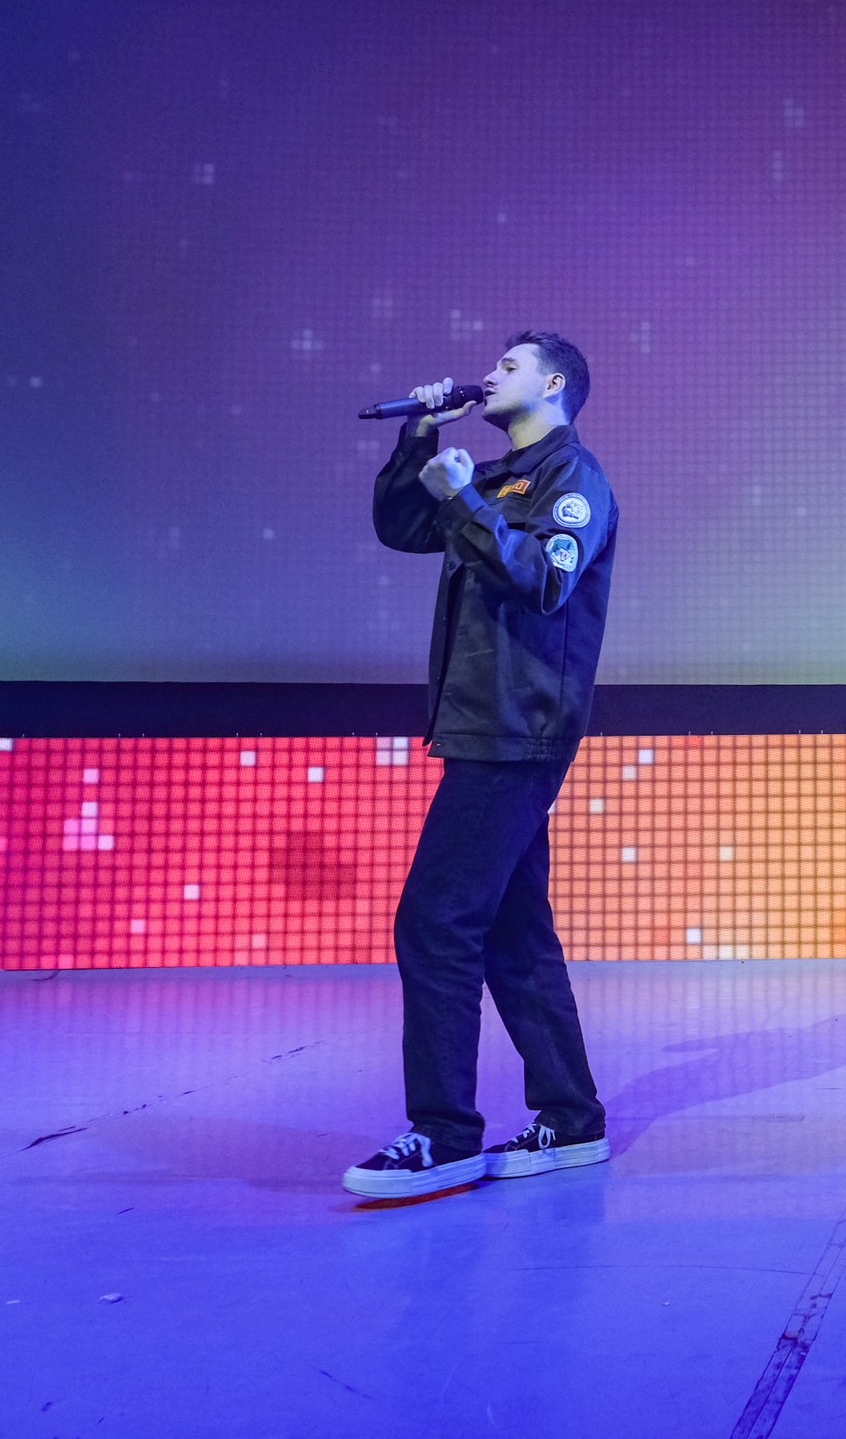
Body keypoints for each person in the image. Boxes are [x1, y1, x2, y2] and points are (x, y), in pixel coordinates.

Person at [342, 331, 620, 1200]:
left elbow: (544, 580)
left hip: (517, 729)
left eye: (509, 366)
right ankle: (571, 1118)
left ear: (554, 384)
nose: (488, 374)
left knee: (435, 920)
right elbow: (402, 526)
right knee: (510, 930)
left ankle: (445, 1133)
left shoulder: (574, 479)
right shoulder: (497, 480)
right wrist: (420, 436)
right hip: (480, 726)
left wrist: (465, 497)